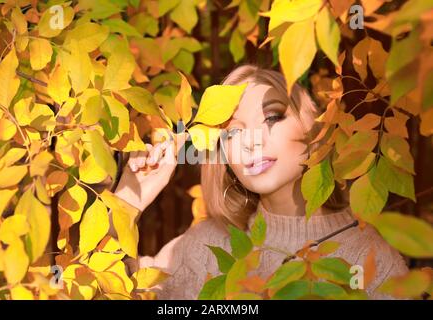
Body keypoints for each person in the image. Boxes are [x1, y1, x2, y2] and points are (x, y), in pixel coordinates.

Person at [113, 64, 409, 299]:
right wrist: (128, 203)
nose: (252, 142)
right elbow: (114, 290)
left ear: (313, 126)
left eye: (272, 117)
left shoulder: (371, 261)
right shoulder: (205, 246)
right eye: (234, 131)